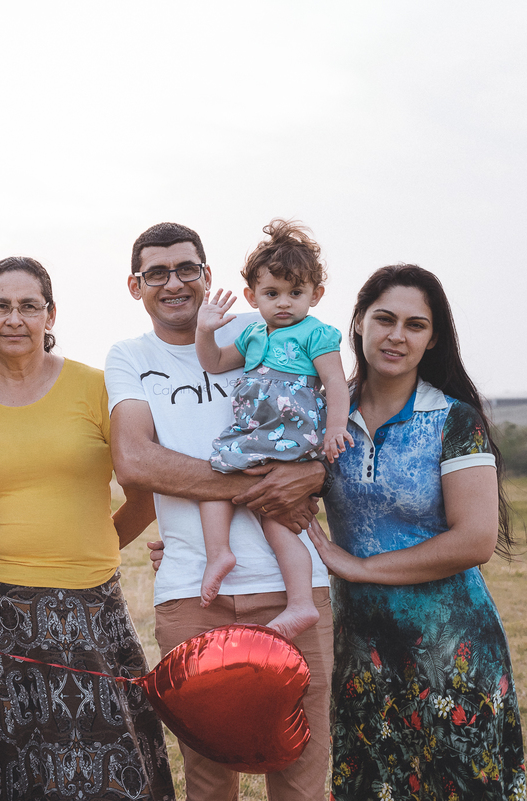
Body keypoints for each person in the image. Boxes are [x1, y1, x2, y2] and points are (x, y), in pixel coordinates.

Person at [105, 222, 333, 800]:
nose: (174, 283)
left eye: (187, 269)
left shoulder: (272, 327)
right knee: (208, 776)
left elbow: (333, 422)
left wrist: (315, 472)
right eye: (157, 273)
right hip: (192, 591)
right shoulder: (129, 357)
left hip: (294, 586)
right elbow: (134, 461)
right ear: (137, 286)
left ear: (208, 276)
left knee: (300, 768)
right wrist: (253, 484)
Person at [0, 256, 174, 801]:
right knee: (9, 766)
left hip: (89, 608)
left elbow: (147, 487)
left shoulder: (98, 388)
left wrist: (95, 543)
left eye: (29, 306)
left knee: (109, 771)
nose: (14, 319)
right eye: (0, 306)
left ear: (50, 315)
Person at [305, 264, 524, 799]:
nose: (396, 336)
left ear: (432, 339)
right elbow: (270, 486)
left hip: (454, 653)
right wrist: (189, 539)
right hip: (362, 651)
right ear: (357, 323)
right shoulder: (324, 414)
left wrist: (360, 567)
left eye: (415, 325)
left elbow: (474, 539)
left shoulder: (455, 420)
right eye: (384, 319)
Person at [193, 220, 352, 640]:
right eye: (272, 294)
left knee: (259, 506)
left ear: (315, 295)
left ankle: (297, 600)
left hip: (291, 437)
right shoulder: (252, 335)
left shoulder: (316, 333)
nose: (284, 303)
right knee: (218, 480)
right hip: (252, 436)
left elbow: (336, 383)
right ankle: (222, 555)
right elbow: (212, 362)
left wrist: (334, 429)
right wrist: (204, 330)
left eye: (295, 293)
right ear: (252, 296)